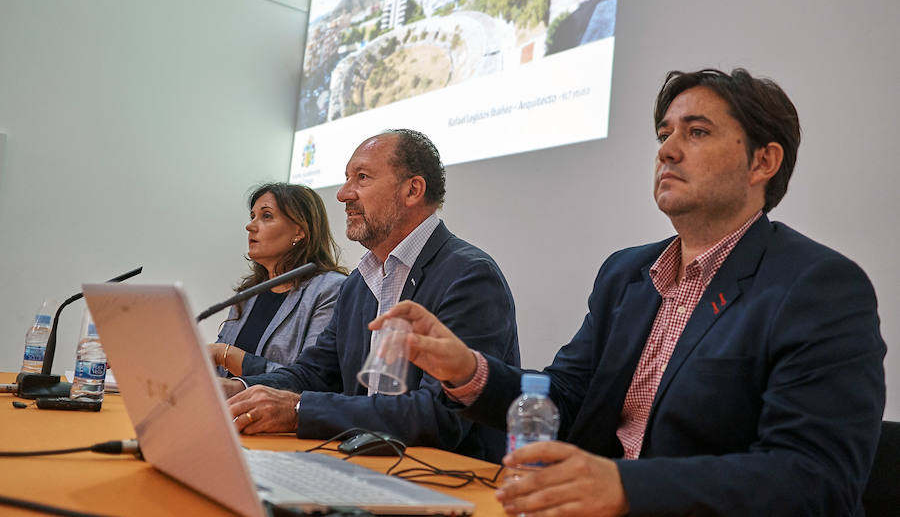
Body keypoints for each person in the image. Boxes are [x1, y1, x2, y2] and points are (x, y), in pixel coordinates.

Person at [373, 69, 886, 516]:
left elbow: (816, 479)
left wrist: (623, 488)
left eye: (698, 131)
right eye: (664, 134)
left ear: (762, 163)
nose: (666, 149)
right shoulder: (627, 275)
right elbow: (566, 398)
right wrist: (467, 370)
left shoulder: (817, 286)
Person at [222, 129, 519, 462]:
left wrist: (298, 409)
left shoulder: (469, 276)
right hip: (362, 465)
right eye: (347, 179)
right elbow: (317, 373)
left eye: (361, 178)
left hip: (445, 482)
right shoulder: (358, 283)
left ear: (412, 190)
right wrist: (242, 389)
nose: (343, 194)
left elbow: (441, 415)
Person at [209, 183, 347, 377]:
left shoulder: (329, 289)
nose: (250, 226)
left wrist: (228, 356)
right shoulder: (247, 295)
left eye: (266, 216)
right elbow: (215, 370)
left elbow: (313, 378)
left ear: (299, 231)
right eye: (252, 217)